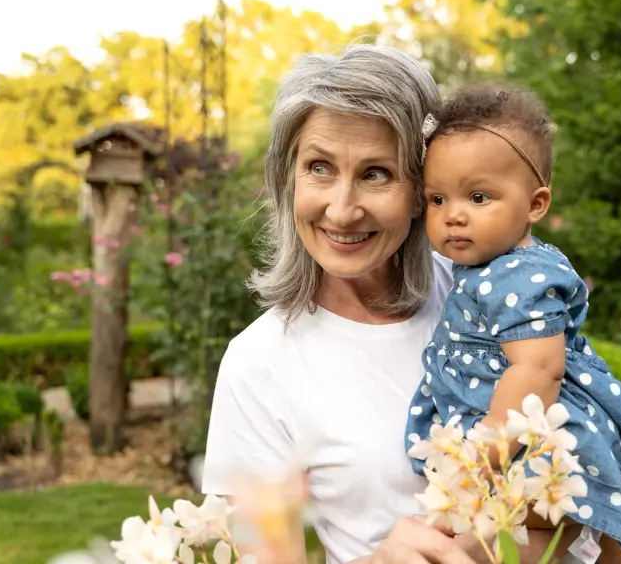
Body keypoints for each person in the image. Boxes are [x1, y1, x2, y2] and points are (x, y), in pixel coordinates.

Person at [200, 44, 567, 564]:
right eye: (319, 167)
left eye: (376, 173)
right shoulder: (259, 363)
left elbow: (580, 464)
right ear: (289, 178)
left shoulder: (489, 294)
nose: (342, 209)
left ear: (422, 189)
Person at [404, 82, 621, 563]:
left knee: (543, 529)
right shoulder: (486, 266)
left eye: (479, 197)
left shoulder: (522, 275)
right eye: (437, 199)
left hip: (525, 423)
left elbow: (536, 370)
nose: (453, 216)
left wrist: (483, 457)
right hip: (512, 416)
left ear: (536, 204)